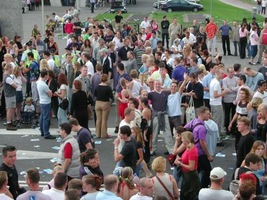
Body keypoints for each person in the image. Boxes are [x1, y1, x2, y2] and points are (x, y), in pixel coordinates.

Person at [184, 106, 213, 188]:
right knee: (208, 171)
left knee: (197, 170)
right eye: (207, 114)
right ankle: (202, 187)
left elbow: (184, 128)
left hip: (193, 150)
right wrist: (208, 155)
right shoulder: (202, 128)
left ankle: (194, 186)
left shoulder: (194, 121)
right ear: (201, 114)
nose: (209, 115)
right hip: (200, 153)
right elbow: (202, 143)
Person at [148, 80, 174, 155]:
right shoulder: (151, 94)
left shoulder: (165, 93)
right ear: (154, 85)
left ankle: (171, 149)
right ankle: (153, 149)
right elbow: (144, 95)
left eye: (159, 84)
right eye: (156, 84)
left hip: (164, 114)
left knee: (168, 132)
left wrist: (164, 88)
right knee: (154, 133)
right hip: (156, 115)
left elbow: (172, 90)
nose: (157, 85)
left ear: (161, 85)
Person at [175, 131, 201, 200]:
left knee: (189, 195)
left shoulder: (191, 151)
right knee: (184, 194)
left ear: (186, 139)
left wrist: (181, 164)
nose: (181, 139)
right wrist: (181, 159)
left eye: (182, 138)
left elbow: (191, 167)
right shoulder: (188, 147)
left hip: (190, 177)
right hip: (186, 175)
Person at [37, 69, 56, 139]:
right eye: (47, 74)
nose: (48, 76)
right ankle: (46, 133)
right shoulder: (44, 85)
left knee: (42, 117)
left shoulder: (39, 82)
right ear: (45, 75)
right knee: (46, 118)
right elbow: (50, 94)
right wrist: (50, 91)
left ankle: (42, 131)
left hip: (42, 101)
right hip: (46, 102)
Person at [94, 74, 114, 138]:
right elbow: (111, 97)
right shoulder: (108, 88)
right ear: (107, 79)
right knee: (104, 120)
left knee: (98, 119)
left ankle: (97, 134)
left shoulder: (97, 87)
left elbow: (95, 95)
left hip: (98, 103)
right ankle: (104, 134)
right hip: (105, 103)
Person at [3, 63, 18, 130]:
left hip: (10, 95)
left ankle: (10, 122)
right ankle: (8, 123)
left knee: (11, 109)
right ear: (9, 68)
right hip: (10, 95)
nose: (12, 69)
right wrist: (15, 83)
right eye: (11, 68)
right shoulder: (8, 78)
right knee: (9, 109)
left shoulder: (6, 76)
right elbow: (15, 86)